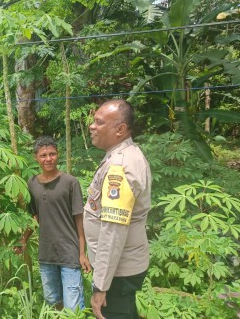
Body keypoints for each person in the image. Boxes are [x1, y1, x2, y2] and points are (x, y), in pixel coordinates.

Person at [84, 99, 151, 319]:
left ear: (120, 129)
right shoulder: (125, 154)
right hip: (121, 268)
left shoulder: (119, 167)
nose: (91, 126)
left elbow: (113, 232)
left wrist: (100, 286)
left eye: (99, 122)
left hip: (117, 274)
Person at [15, 135, 91, 312]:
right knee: (52, 299)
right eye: (43, 155)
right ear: (36, 158)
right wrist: (23, 239)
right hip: (46, 253)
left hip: (69, 253)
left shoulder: (70, 182)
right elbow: (35, 217)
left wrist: (82, 253)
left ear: (58, 155)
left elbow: (79, 220)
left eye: (52, 154)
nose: (48, 159)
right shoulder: (32, 183)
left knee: (73, 308)